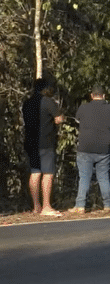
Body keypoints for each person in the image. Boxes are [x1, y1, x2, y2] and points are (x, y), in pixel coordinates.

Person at [70, 85, 110, 213]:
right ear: (104, 96)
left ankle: (80, 205)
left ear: (92, 95)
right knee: (103, 177)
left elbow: (77, 120)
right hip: (103, 148)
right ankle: (108, 205)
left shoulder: (84, 107)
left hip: (85, 147)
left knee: (84, 177)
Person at [21, 78, 64, 216]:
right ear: (45, 89)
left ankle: (36, 206)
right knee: (48, 174)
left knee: (35, 173)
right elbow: (58, 119)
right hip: (46, 142)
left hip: (31, 142)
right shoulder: (48, 102)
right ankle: (46, 206)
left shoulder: (27, 103)